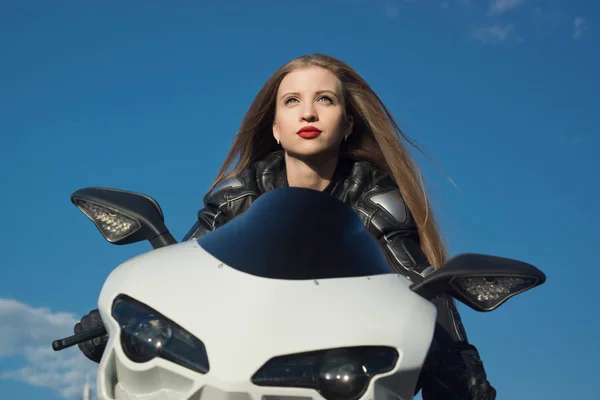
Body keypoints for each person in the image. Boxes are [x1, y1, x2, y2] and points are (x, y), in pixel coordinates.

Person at [74, 53, 496, 399]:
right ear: (275, 127)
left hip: (325, 364)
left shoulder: (377, 202)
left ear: (348, 124)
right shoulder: (237, 194)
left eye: (325, 100)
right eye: (292, 101)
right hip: (229, 353)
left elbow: (421, 283)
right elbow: (188, 262)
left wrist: (455, 358)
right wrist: (110, 318)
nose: (308, 111)